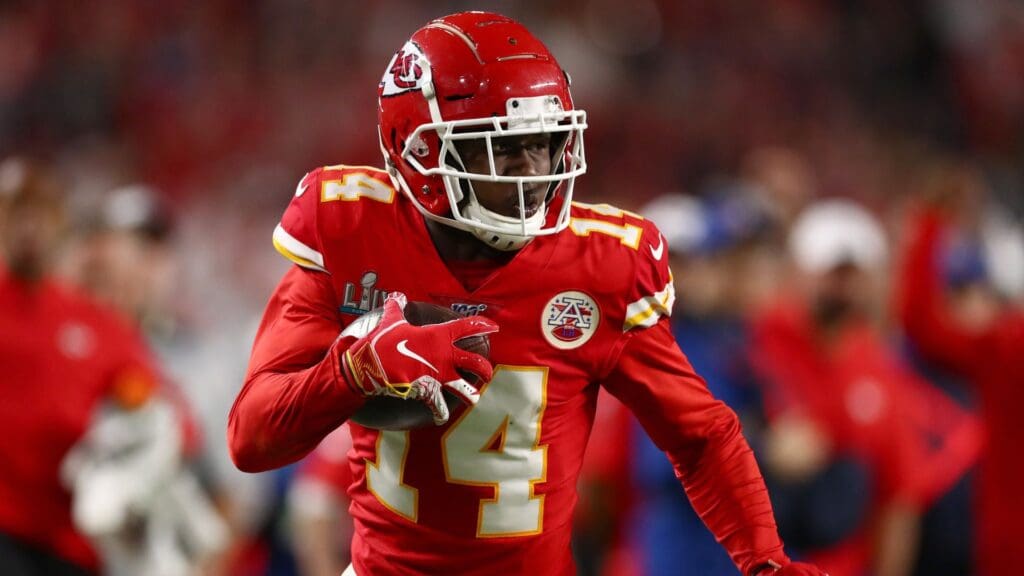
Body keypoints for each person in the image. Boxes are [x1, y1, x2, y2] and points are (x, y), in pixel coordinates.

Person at [227, 12, 825, 576]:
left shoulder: (603, 265)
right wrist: (355, 371)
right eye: (502, 148)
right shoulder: (352, 229)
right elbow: (251, 439)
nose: (532, 170)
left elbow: (699, 435)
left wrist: (765, 561)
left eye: (542, 143)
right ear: (421, 153)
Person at [748, 199, 979, 576]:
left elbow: (898, 499)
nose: (842, 287)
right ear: (797, 270)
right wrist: (761, 446)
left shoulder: (879, 367)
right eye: (831, 272)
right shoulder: (755, 340)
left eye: (853, 275)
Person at [0, 157, 164, 575]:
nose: (28, 227)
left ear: (57, 223)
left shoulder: (95, 323)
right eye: (16, 212)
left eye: (38, 213)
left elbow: (154, 411)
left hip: (72, 535)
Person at [896, 167, 1024, 576]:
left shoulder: (1010, 342)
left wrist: (932, 222)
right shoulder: (1010, 344)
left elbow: (921, 323)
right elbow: (921, 325)